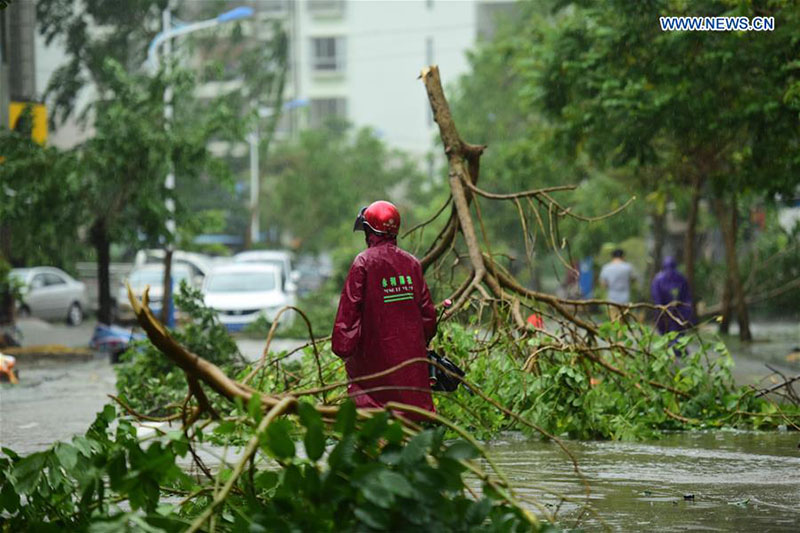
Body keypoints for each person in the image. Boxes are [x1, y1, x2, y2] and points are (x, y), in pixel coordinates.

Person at [332, 200, 437, 420]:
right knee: (412, 419)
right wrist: (416, 344)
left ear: (369, 231)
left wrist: (343, 348)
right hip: (411, 368)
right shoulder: (412, 264)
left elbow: (348, 315)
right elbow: (428, 317)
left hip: (372, 367)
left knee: (374, 422)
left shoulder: (363, 263)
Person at [650, 256, 694, 336]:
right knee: (679, 335)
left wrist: (659, 313)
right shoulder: (681, 278)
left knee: (666, 336)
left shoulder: (657, 279)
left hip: (664, 312)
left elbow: (657, 299)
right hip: (679, 313)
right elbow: (687, 298)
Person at [599, 248, 637, 320]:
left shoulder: (606, 268)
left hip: (612, 299)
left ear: (612, 256)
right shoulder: (628, 267)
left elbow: (603, 284)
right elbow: (633, 279)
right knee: (623, 321)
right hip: (625, 299)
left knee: (614, 321)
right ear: (623, 256)